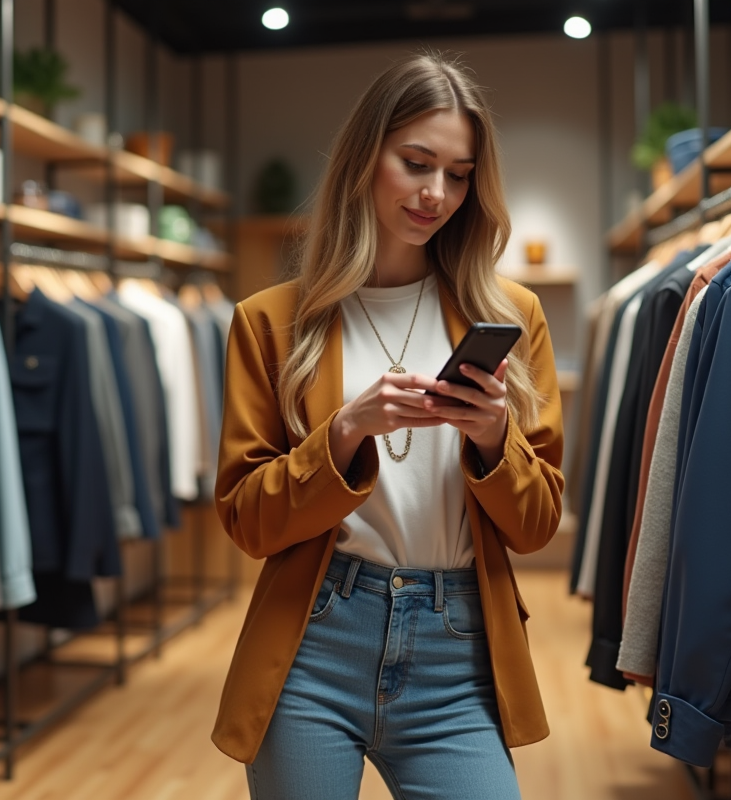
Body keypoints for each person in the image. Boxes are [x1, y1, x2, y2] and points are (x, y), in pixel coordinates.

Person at [212, 52, 565, 800]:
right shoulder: (273, 323)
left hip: (458, 652)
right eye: (416, 163)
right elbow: (246, 519)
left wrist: (495, 443)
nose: (437, 193)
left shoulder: (509, 317)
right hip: (314, 642)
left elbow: (538, 525)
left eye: (460, 173)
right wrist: (340, 434)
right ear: (364, 155)